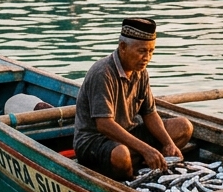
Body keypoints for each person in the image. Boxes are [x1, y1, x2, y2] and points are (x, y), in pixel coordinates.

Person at [73, 17, 193, 180]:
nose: (147, 57)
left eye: (151, 51)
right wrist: (146, 149)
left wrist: (168, 144)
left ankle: (144, 164)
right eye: (142, 51)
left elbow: (149, 113)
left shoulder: (141, 71)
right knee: (121, 154)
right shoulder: (102, 73)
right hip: (94, 142)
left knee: (184, 126)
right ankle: (131, 179)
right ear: (123, 47)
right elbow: (104, 124)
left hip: (129, 133)